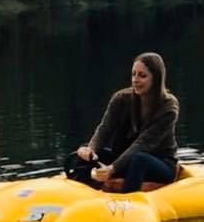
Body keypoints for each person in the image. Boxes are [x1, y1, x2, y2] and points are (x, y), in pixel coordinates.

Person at [74, 52, 180, 193]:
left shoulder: (168, 107)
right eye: (133, 74)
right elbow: (105, 129)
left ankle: (127, 201)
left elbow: (142, 144)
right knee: (86, 156)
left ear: (156, 79)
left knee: (139, 159)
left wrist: (113, 168)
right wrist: (90, 150)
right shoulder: (121, 99)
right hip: (126, 159)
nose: (135, 80)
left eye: (142, 76)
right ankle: (81, 195)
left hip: (160, 163)